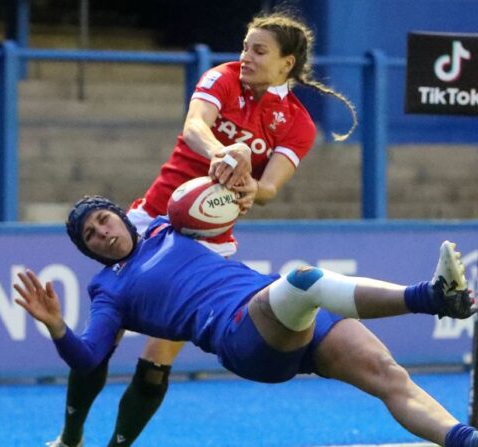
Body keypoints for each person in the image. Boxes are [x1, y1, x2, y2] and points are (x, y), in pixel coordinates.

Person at [50, 10, 359, 447]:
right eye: (245, 46)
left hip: (208, 240)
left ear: (286, 63)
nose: (245, 56)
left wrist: (251, 187)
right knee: (101, 339)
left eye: (259, 50)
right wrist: (221, 154)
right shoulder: (223, 78)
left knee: (158, 359)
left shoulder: (299, 124)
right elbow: (194, 127)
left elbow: (269, 188)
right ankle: (70, 436)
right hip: (151, 219)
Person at [16, 196, 478, 447]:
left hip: (281, 316)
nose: (101, 233)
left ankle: (469, 442)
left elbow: (217, 190)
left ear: (119, 215)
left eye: (102, 219)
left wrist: (231, 167)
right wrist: (57, 326)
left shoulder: (164, 224)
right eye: (89, 236)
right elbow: (88, 358)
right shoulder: (108, 289)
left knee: (387, 375)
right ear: (88, 251)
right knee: (306, 280)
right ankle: (433, 298)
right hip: (243, 336)